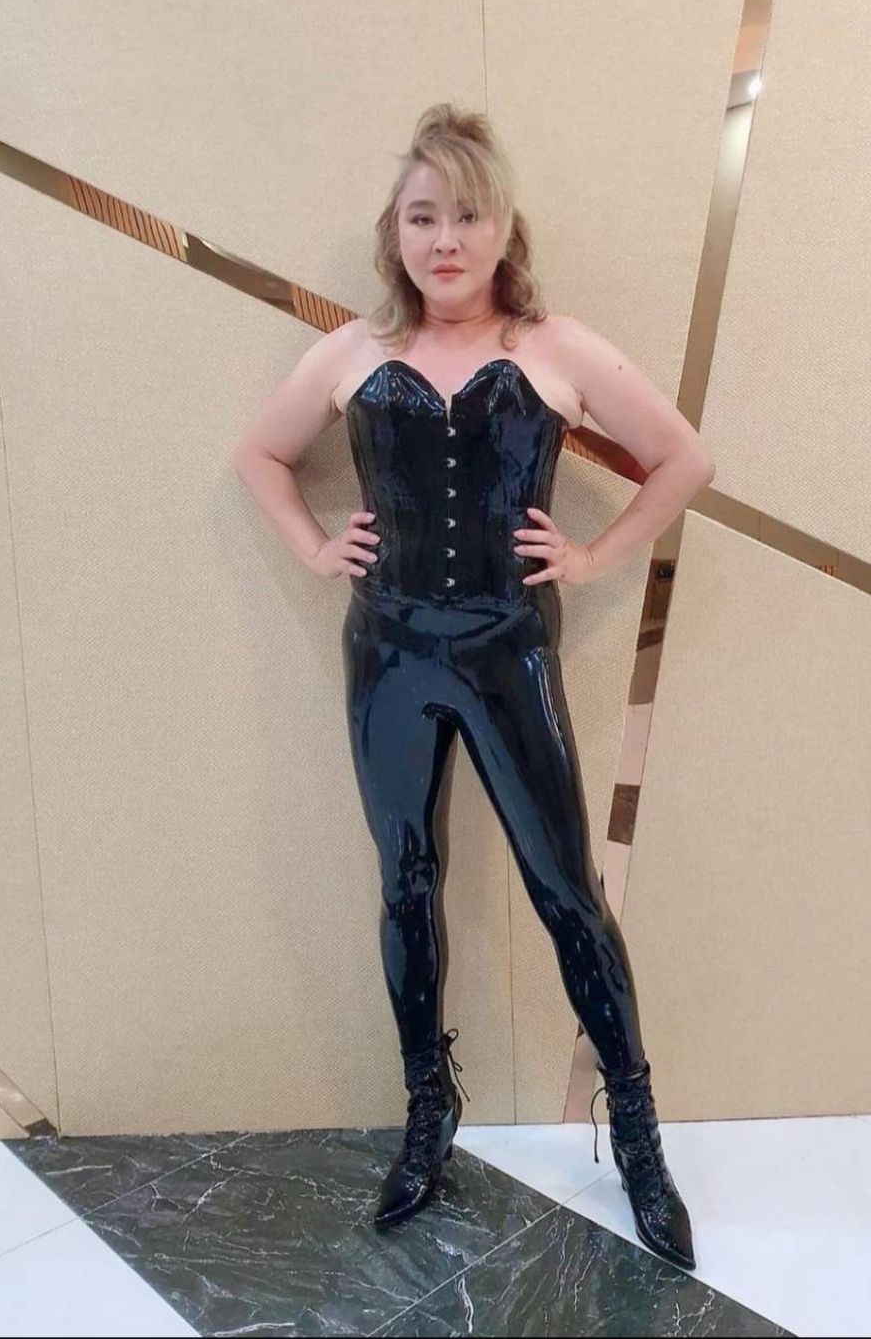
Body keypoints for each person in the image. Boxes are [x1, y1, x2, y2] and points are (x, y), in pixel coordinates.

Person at [232, 102, 715, 1273]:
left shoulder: (558, 348)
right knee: (405, 883)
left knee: (566, 891)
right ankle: (426, 1112)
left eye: (466, 215)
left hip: (508, 651)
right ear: (394, 233)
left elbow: (684, 459)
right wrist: (314, 545)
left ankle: (637, 1136)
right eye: (422, 217)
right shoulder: (353, 352)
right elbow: (260, 453)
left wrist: (594, 557)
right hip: (389, 655)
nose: (445, 239)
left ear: (503, 229)